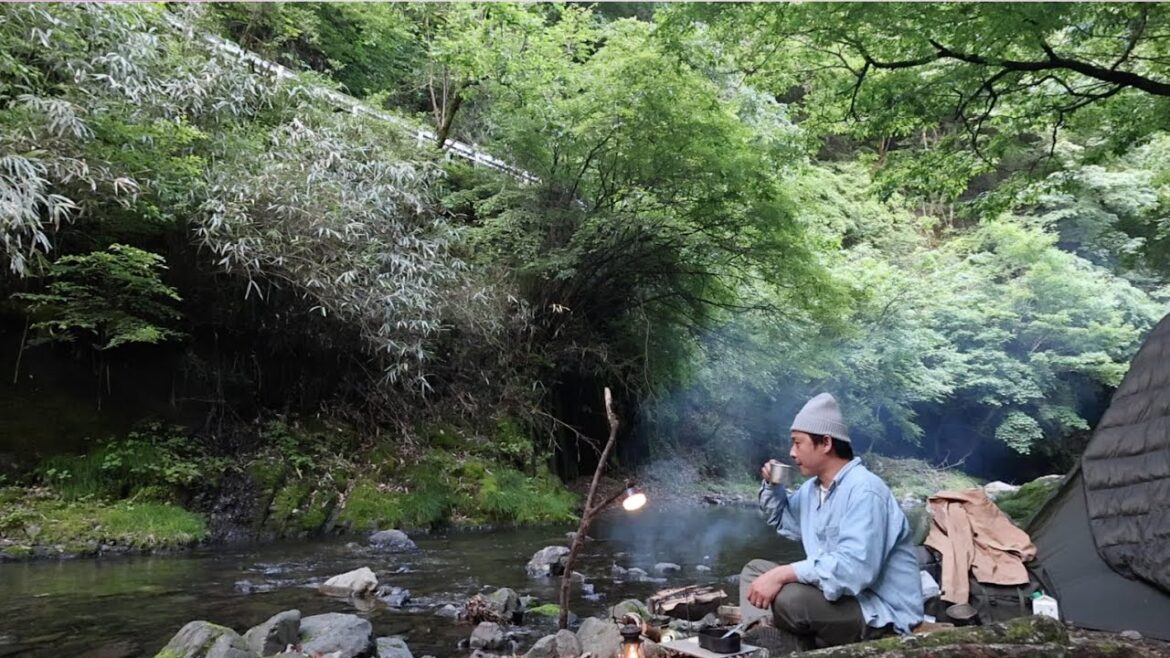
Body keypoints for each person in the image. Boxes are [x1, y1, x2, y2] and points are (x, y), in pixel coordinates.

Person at [740, 393, 923, 652]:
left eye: (797, 443)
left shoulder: (865, 490)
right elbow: (781, 520)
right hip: (838, 597)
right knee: (755, 572)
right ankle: (762, 636)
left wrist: (783, 574)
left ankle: (787, 642)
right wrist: (773, 486)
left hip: (878, 609)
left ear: (825, 442)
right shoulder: (812, 490)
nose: (792, 453)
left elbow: (855, 570)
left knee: (789, 598)